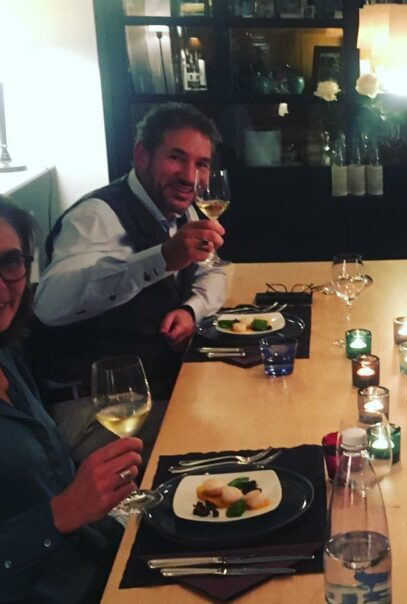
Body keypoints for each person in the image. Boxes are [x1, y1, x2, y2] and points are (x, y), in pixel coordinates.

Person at [28, 102, 227, 458]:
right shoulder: (96, 217)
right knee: (223, 436)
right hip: (94, 411)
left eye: (201, 164)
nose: (189, 176)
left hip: (158, 388)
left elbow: (214, 270)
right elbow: (49, 305)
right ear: (142, 155)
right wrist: (162, 259)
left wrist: (191, 310)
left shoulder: (182, 210)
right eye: (176, 158)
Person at [0, 195, 143, 603]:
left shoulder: (8, 355)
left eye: (9, 262)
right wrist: (60, 514)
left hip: (96, 563)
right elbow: (63, 510)